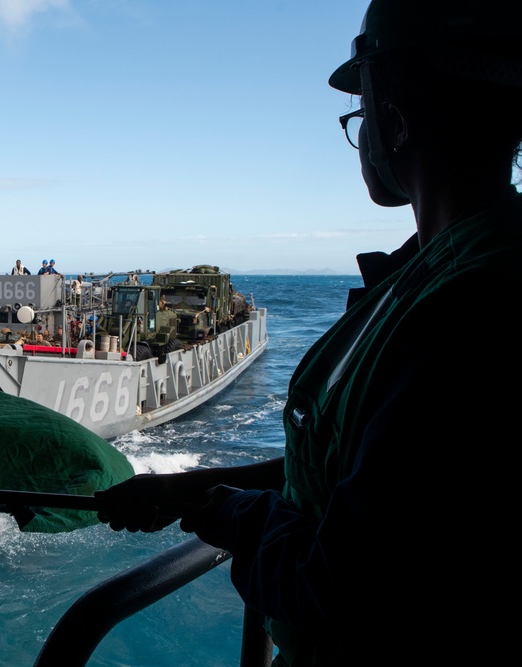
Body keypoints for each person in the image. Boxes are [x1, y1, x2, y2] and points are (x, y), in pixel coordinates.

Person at [95, 2, 522, 665]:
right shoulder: (446, 272)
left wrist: (235, 516)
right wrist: (190, 488)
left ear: (396, 115)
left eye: (361, 114)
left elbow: (344, 587)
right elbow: (361, 477)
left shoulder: (469, 309)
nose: (362, 137)